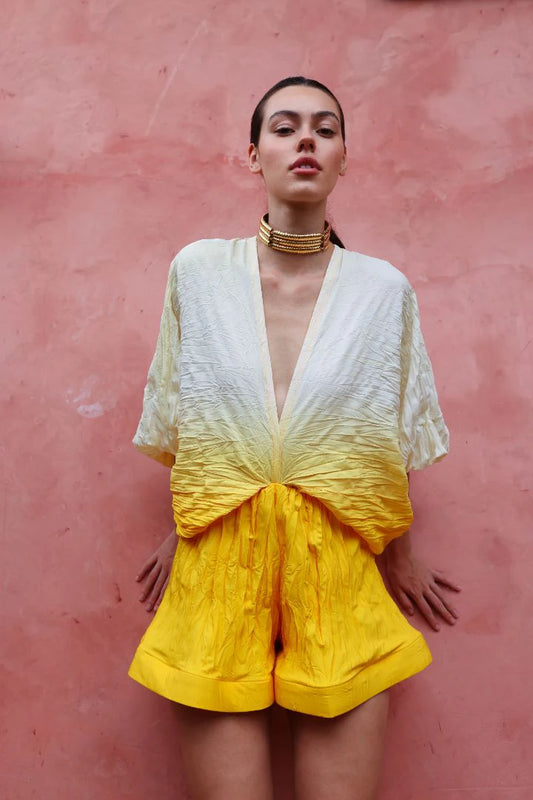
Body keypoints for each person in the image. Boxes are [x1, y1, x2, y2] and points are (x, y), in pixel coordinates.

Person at [128, 76, 461, 800]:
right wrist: (190, 526)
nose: (305, 139)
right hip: (216, 574)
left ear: (343, 157)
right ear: (254, 155)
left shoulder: (382, 290)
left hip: (338, 573)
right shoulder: (198, 272)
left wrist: (400, 554)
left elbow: (388, 433)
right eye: (284, 127)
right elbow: (186, 411)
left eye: (324, 128)